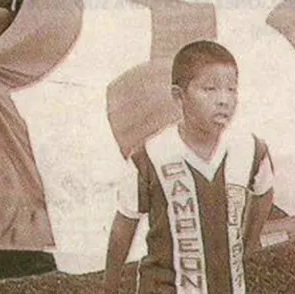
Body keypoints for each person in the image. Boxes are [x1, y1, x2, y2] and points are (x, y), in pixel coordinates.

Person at [103, 40, 274, 294]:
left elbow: (264, 192)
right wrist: (110, 288)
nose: (224, 100)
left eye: (231, 89)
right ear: (179, 96)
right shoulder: (151, 157)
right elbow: (122, 228)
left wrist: (247, 244)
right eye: (210, 89)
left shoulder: (250, 149)